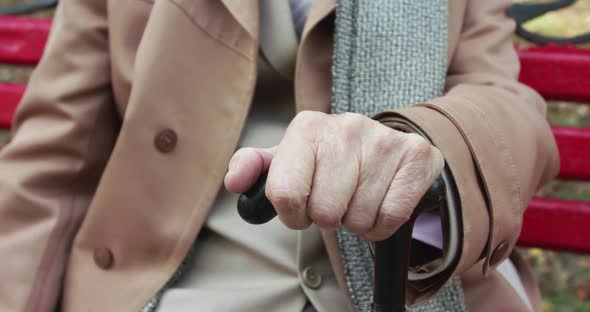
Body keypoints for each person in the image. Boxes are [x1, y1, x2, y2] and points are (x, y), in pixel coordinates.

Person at [0, 0, 559, 311]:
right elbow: (48, 169)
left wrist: (427, 148)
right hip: (175, 291)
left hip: (398, 290)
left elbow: (505, 104)